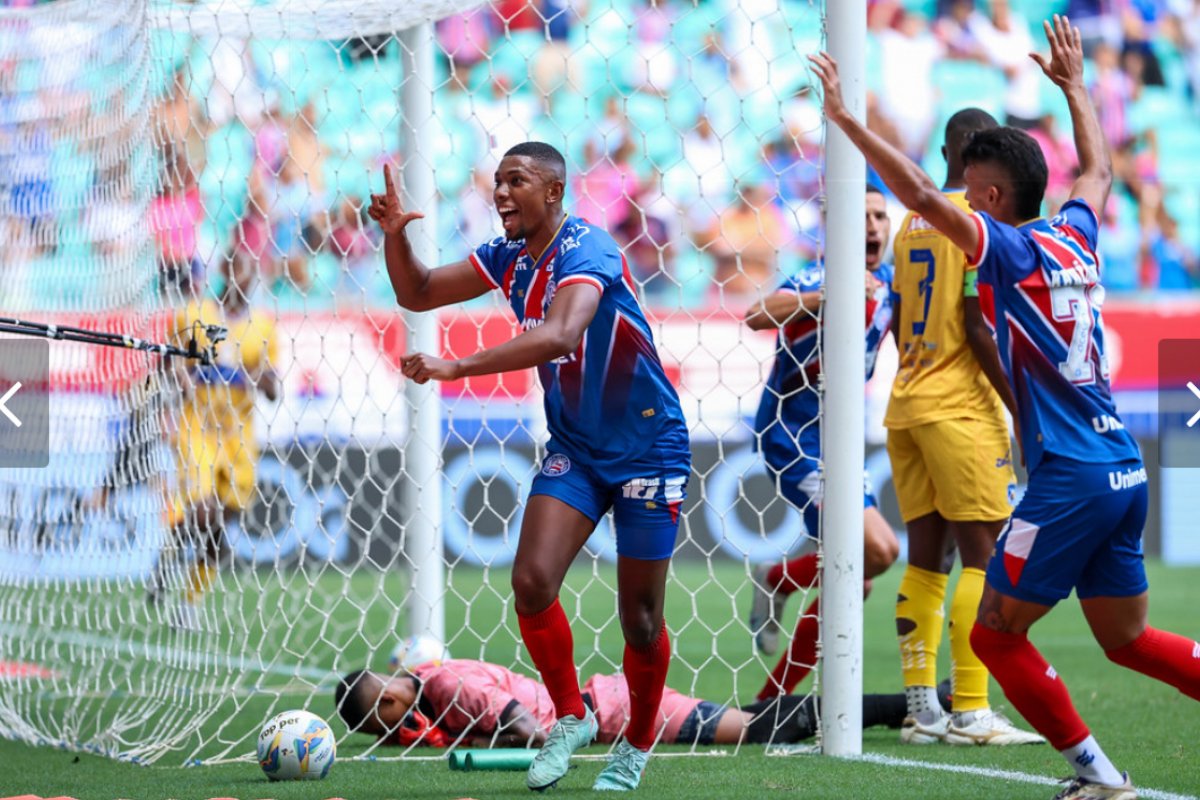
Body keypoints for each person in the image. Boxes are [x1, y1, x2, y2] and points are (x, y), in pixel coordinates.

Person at [809, 15, 1200, 800]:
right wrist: (1077, 89)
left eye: (968, 185)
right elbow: (1097, 171)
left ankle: (1098, 776)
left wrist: (848, 121)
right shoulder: (1076, 235)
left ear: (987, 198)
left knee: (994, 633)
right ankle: (1092, 772)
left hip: (1069, 480)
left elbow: (918, 192)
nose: (956, 192)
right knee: (1125, 638)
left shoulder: (1011, 250)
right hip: (1123, 465)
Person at [368, 142, 692, 792]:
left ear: (553, 191)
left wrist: (456, 367)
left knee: (642, 620)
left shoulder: (588, 249)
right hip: (576, 445)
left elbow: (563, 334)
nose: (501, 193)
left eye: (516, 181)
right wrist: (395, 238)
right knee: (532, 580)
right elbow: (420, 289)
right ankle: (571, 717)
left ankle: (634, 743)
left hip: (649, 448)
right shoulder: (508, 257)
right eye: (497, 182)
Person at [886, 108, 1043, 747]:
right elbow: (978, 324)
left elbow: (899, 316)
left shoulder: (908, 223)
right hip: (961, 408)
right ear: (970, 156)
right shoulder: (972, 225)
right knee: (984, 558)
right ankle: (972, 712)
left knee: (927, 562)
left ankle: (922, 711)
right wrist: (1021, 407)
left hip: (908, 403)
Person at [745, 185, 900, 700]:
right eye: (864, 215)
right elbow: (756, 314)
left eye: (881, 216)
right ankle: (777, 578)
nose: (874, 226)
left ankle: (771, 702)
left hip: (842, 443)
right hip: (795, 436)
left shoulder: (890, 287)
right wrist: (825, 298)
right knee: (875, 551)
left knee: (854, 581)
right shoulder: (817, 277)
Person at [334, 662, 948, 749]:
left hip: (614, 710)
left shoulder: (447, 690)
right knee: (752, 723)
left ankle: (914, 704)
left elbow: (519, 724)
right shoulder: (427, 684)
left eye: (379, 723)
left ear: (390, 697)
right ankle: (910, 706)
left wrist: (535, 750)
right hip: (607, 703)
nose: (388, 734)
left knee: (752, 731)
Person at [157, 251, 279, 630]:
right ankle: (179, 570)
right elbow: (166, 363)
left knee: (219, 531)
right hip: (198, 427)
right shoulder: (194, 315)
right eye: (239, 267)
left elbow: (275, 389)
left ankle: (183, 585)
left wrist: (260, 377)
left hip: (239, 436)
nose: (245, 276)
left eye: (251, 269)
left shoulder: (263, 327)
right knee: (206, 511)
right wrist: (178, 379)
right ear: (225, 272)